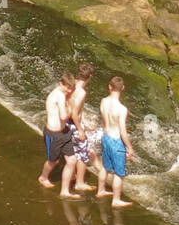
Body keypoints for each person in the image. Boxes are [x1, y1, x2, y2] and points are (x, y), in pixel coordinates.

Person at [39, 72, 80, 198]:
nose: (68, 91)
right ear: (60, 83)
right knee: (54, 161)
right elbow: (63, 116)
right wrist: (71, 108)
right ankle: (43, 177)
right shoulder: (59, 96)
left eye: (70, 88)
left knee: (72, 160)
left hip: (64, 132)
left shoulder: (62, 94)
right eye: (67, 88)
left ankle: (65, 191)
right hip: (53, 134)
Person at [98, 76, 135, 207]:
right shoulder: (122, 109)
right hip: (116, 141)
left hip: (106, 136)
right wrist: (129, 147)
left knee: (105, 167)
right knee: (119, 173)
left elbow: (103, 121)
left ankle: (101, 190)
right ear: (123, 88)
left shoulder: (103, 101)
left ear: (109, 86)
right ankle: (116, 200)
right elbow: (123, 131)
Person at [65, 62, 98, 196]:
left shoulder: (72, 84)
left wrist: (84, 124)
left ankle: (72, 176)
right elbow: (75, 112)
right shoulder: (81, 92)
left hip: (66, 122)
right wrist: (81, 129)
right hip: (73, 123)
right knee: (83, 154)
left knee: (72, 151)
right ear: (90, 76)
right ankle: (80, 183)